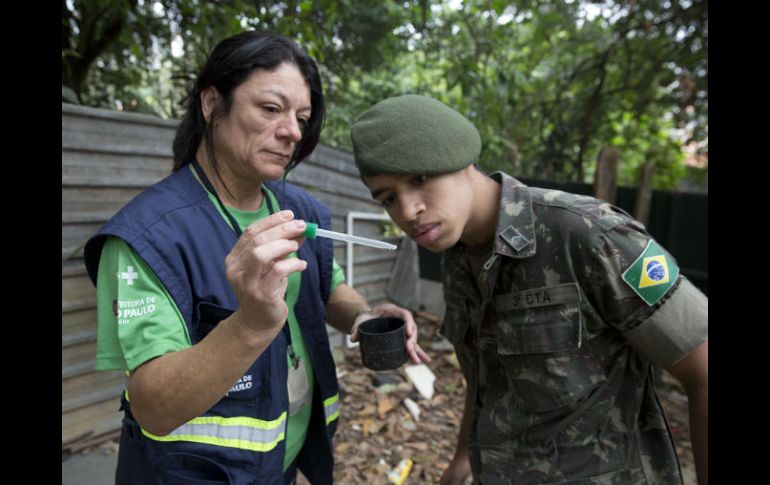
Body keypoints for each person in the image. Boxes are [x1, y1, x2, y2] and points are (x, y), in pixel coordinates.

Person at [84, 31, 430, 485]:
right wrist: (249, 324)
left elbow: (327, 288)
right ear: (212, 103)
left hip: (278, 462)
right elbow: (153, 406)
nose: (292, 131)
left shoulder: (299, 212)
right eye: (270, 109)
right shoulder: (148, 236)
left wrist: (363, 316)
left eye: (301, 117)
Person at [350, 94, 708, 485]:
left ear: (462, 158)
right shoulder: (456, 257)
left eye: (419, 179)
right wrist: (463, 460)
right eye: (389, 198)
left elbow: (703, 368)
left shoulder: (587, 234)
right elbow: (488, 378)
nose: (407, 211)